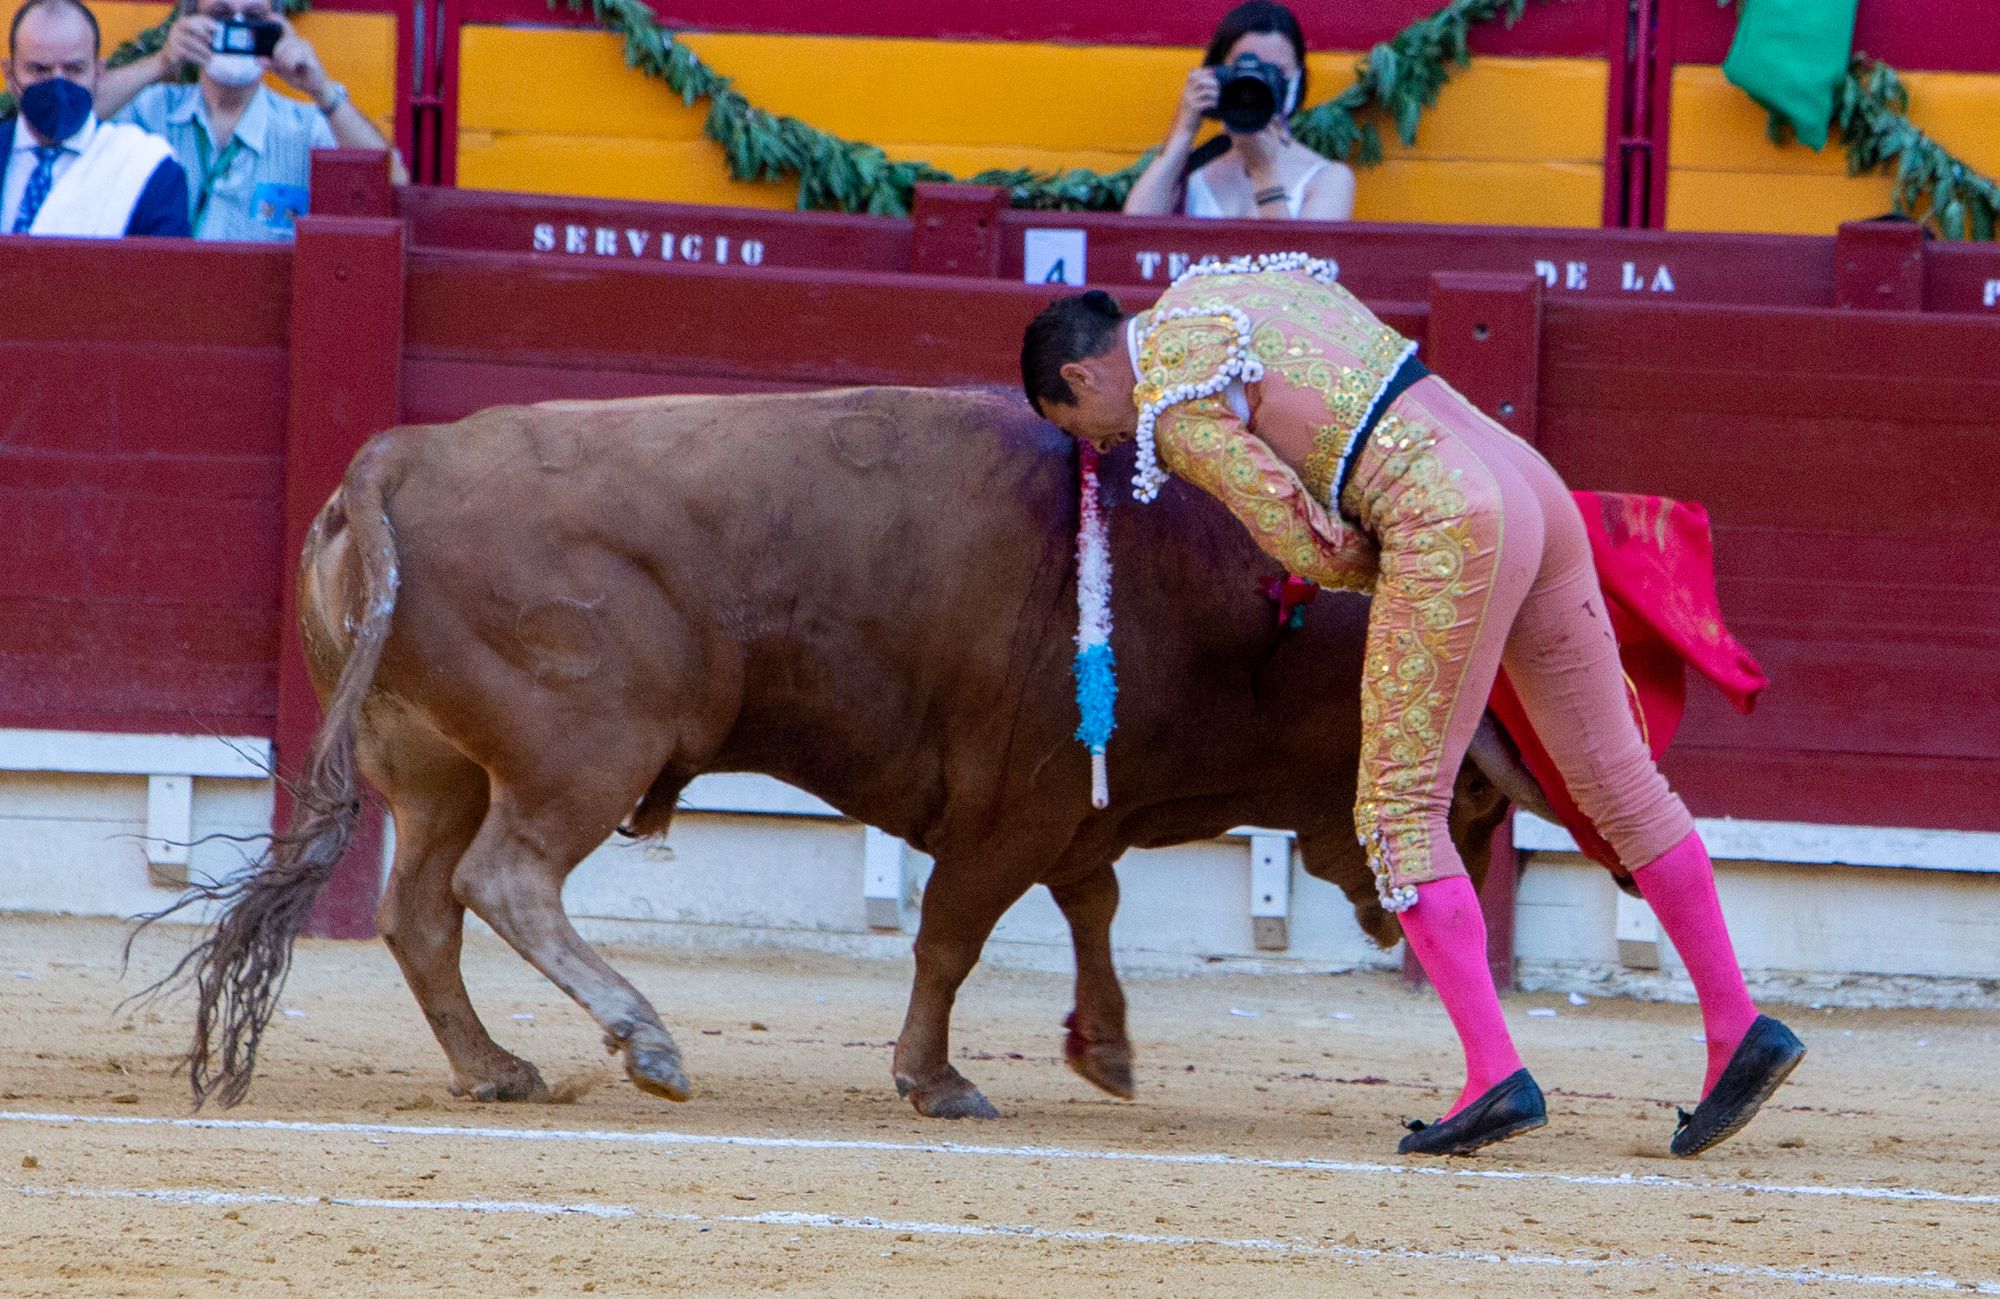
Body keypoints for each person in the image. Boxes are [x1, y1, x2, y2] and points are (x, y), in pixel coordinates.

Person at [1020, 256, 1804, 1158]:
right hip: (1529, 487)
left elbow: (1296, 534)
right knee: (1620, 778)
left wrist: (1385, 568)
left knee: (1395, 808)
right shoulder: (1230, 286)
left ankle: (1492, 1074)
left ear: (1082, 376)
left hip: (1445, 517)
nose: (1102, 444)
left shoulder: (1172, 396)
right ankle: (1737, 1026)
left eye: (1079, 424)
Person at [94, 0, 405, 241]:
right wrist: (161, 62)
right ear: (188, 23)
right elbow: (62, 125)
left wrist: (321, 89)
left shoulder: (308, 127)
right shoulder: (150, 108)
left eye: (255, 18)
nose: (238, 29)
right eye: (220, 15)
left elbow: (395, 183)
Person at [1122, 1, 1353, 222]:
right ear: (1217, 72)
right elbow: (1136, 233)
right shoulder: (1195, 170)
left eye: (1276, 72)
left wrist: (1263, 171)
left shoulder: (1329, 178)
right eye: (1243, 70)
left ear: (1297, 78)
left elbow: (1301, 260)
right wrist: (1184, 128)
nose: (1258, 84)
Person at [2, 0, 188, 236]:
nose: (58, 84)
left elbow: (168, 269)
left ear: (99, 72)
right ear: (9, 73)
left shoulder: (147, 167)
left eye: (74, 69)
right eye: (39, 69)